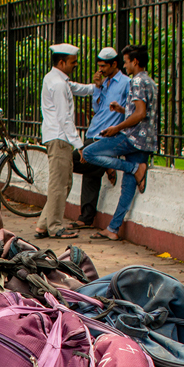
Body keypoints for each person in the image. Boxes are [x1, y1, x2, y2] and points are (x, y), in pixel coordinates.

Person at [83, 44, 157, 241]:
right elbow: (143, 112)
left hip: (133, 137)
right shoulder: (150, 81)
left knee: (89, 153)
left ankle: (133, 167)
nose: (125, 66)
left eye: (126, 62)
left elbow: (140, 114)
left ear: (135, 61)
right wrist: (122, 110)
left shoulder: (136, 81)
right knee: (128, 187)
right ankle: (113, 229)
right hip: (146, 140)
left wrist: (117, 128)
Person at [37, 42, 94, 239]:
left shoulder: (55, 78)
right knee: (59, 184)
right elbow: (65, 118)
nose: (74, 66)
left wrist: (96, 87)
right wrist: (79, 145)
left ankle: (44, 224)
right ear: (62, 62)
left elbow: (77, 88)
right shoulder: (59, 84)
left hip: (56, 136)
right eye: (72, 63)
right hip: (60, 138)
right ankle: (54, 226)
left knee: (62, 182)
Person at [75, 46, 128, 229]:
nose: (101, 70)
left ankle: (86, 217)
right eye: (99, 66)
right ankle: (86, 217)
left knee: (76, 160)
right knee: (90, 171)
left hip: (107, 135)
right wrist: (97, 87)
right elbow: (97, 109)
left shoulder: (126, 83)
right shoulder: (103, 83)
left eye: (104, 66)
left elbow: (132, 111)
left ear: (115, 64)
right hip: (93, 131)